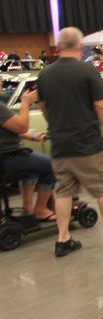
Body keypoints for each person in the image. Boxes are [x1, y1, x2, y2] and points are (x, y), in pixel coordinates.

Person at [37, 27, 103, 257]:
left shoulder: (44, 74)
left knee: (63, 191)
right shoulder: (88, 71)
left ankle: (63, 239)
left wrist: (56, 125)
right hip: (88, 145)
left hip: (60, 147)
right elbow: (102, 106)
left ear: (58, 47)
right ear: (81, 47)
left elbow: (44, 107)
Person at [0, 88, 56, 221]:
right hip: (8, 156)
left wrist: (31, 137)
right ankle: (40, 210)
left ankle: (28, 206)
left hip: (7, 155)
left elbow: (9, 126)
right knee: (53, 165)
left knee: (32, 166)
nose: (2, 86)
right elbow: (22, 127)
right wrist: (25, 103)